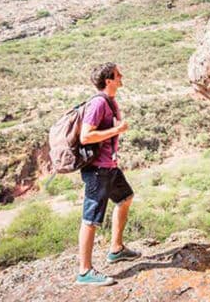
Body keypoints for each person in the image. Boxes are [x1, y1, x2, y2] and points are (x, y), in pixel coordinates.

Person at [75, 62, 140, 286]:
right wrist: (117, 130)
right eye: (117, 74)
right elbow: (85, 137)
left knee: (125, 198)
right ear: (108, 80)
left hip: (109, 166)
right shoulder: (97, 103)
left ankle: (116, 248)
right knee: (90, 219)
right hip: (97, 171)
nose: (122, 76)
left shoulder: (111, 101)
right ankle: (84, 272)